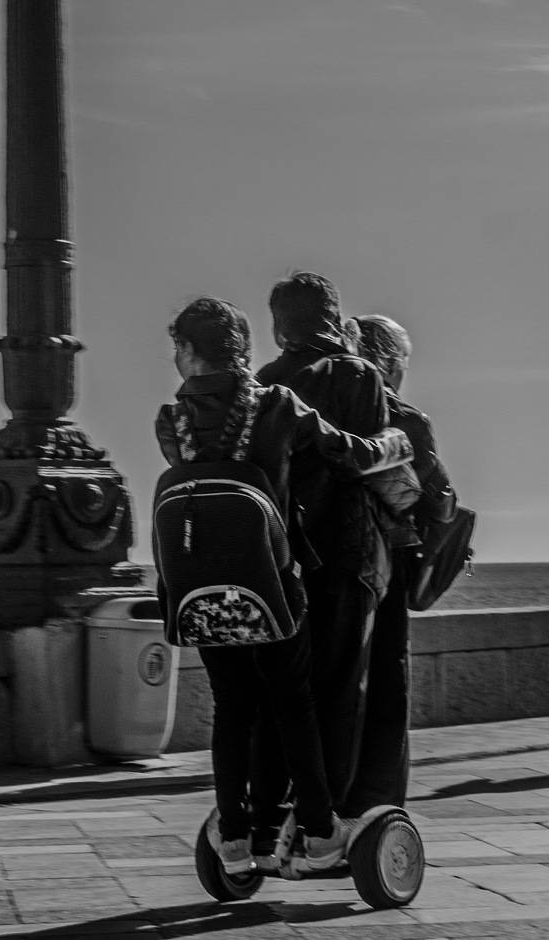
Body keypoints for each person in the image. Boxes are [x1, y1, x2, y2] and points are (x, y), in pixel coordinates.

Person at [154, 296, 413, 875]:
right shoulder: (277, 406)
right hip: (272, 589)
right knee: (293, 704)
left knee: (232, 708)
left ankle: (236, 840)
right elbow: (348, 453)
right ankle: (320, 834)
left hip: (202, 593)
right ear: (245, 348)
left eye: (179, 348)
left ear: (189, 353)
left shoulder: (170, 421)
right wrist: (395, 445)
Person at [255, 271, 398, 818]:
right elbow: (374, 467)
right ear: (333, 318)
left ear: (280, 326)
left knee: (284, 690)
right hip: (346, 554)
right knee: (340, 691)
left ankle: (272, 803)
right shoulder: (359, 375)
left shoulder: (265, 382)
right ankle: (326, 816)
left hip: (281, 557)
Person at [347, 313, 458, 810]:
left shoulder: (317, 403)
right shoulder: (405, 419)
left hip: (317, 564)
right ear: (391, 364)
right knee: (387, 690)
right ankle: (378, 804)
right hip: (386, 566)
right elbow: (437, 498)